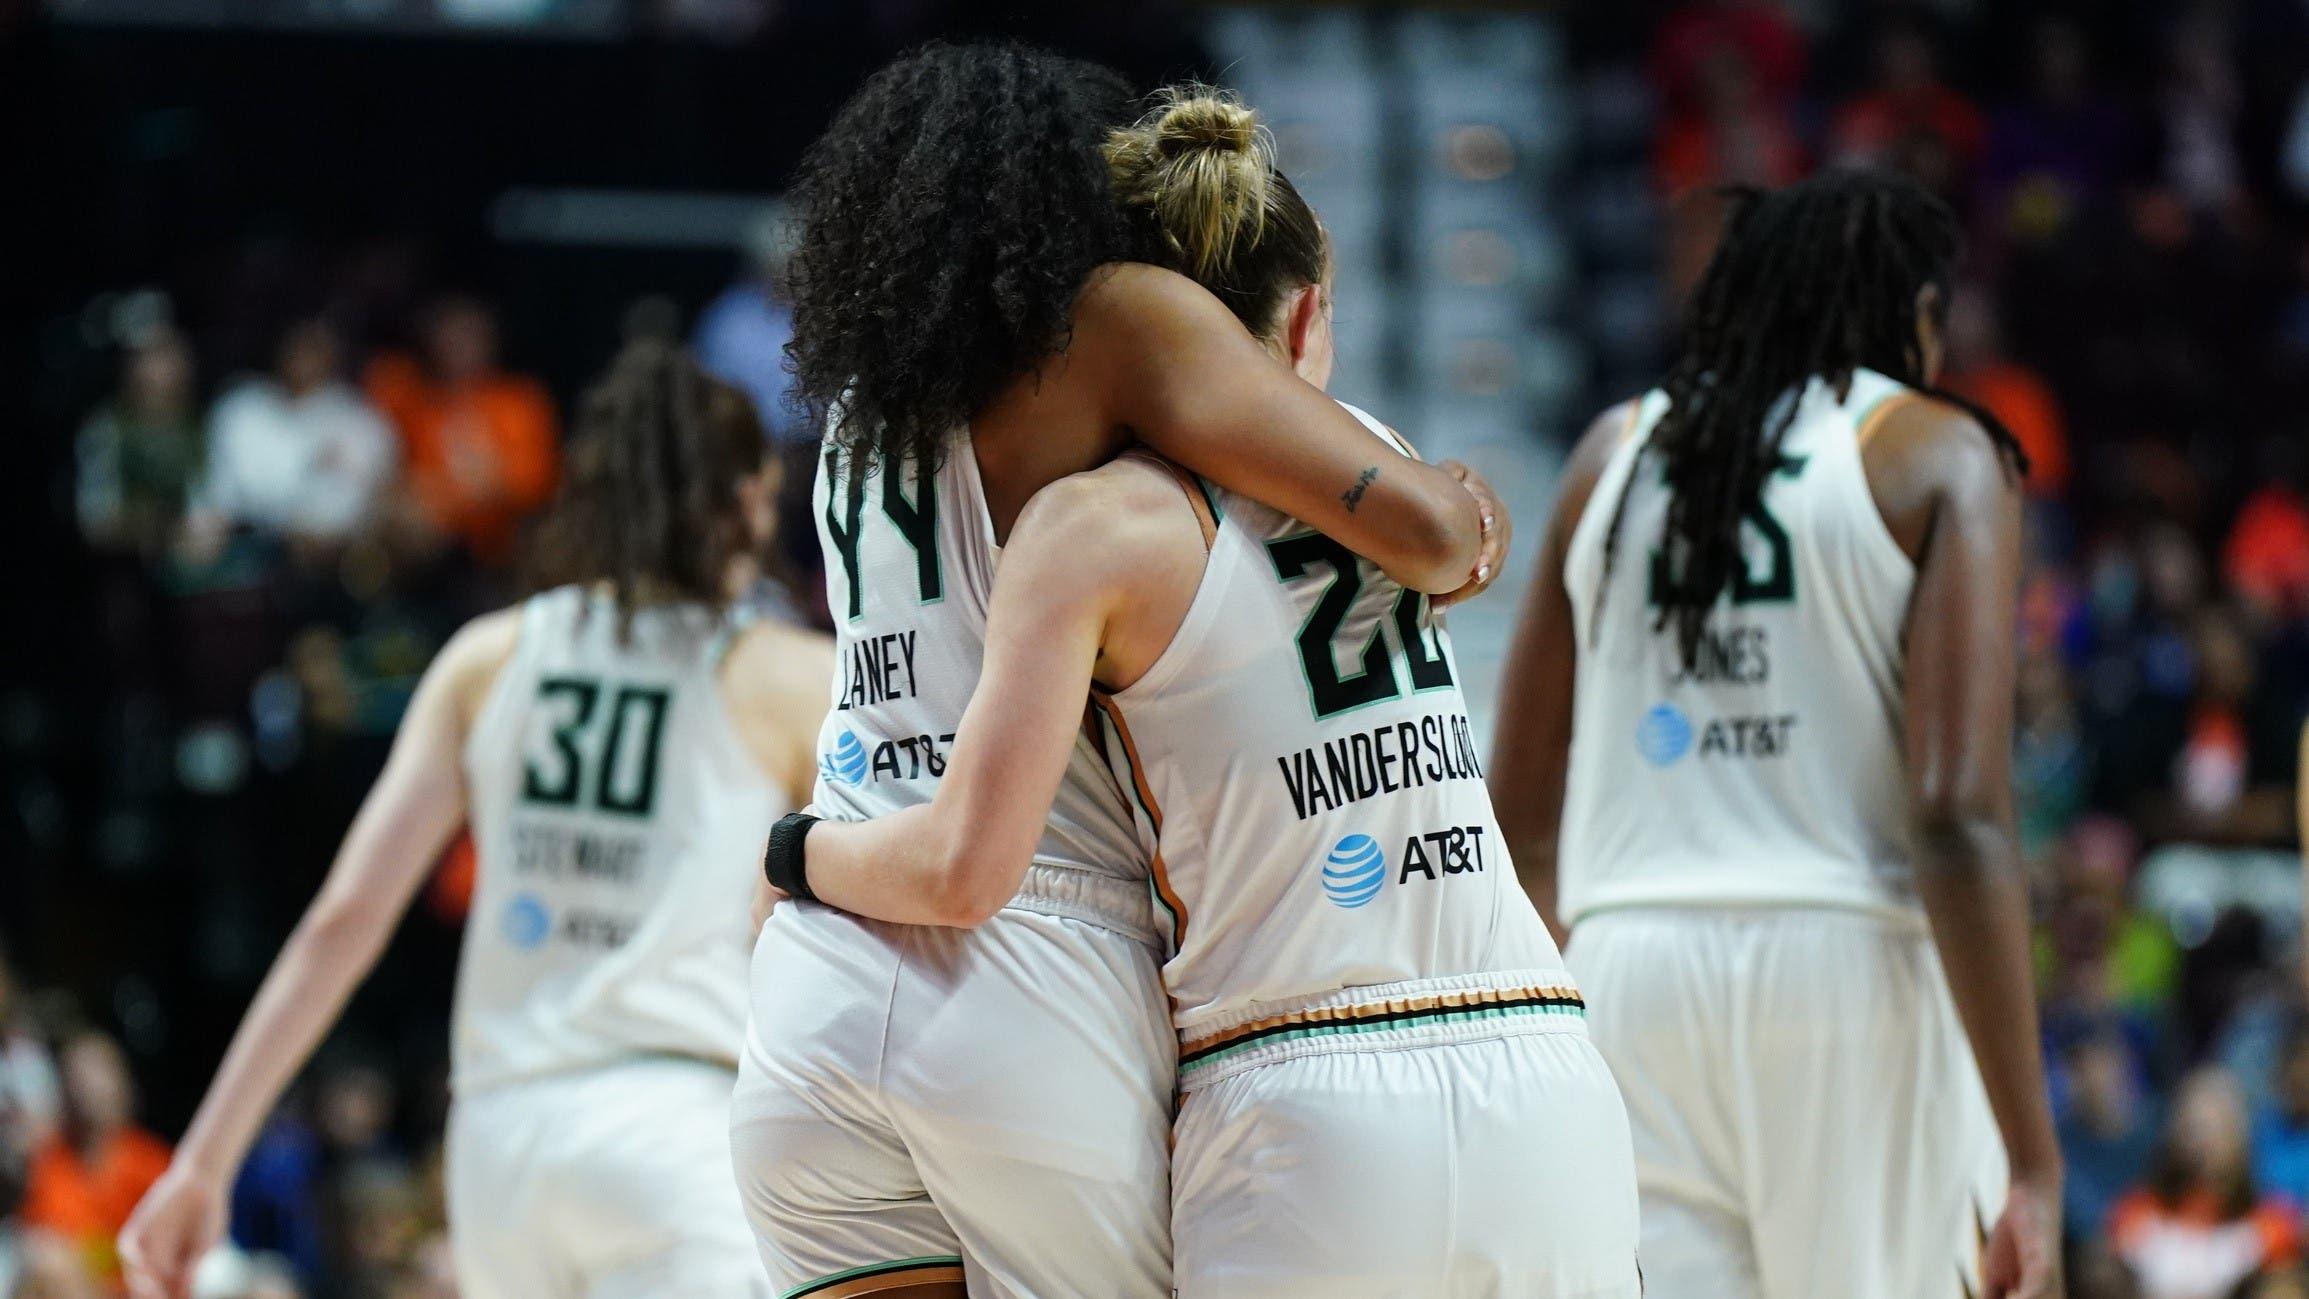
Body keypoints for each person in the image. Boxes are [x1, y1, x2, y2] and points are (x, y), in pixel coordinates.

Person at [759, 88, 1637, 1298]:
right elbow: (1443, 533)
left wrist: (792, 852)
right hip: (1538, 1058)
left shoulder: (1058, 514)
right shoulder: (1371, 457)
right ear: (1303, 319)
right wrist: (1479, 522)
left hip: (1278, 1073)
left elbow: (959, 850)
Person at [118, 342, 832, 1299]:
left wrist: (201, 1160)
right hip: (676, 1126)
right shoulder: (792, 674)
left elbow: (343, 920)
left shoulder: (486, 658)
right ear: (750, 498)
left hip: (501, 1140)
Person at [1489, 168, 2063, 1299]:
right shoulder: (1936, 450)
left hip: (1624, 972)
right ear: (1912, 319)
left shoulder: (1611, 452)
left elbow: (1517, 815)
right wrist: (2033, 1165)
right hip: (1849, 962)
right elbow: (1954, 816)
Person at [2108, 1068, 2299, 1299]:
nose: (2204, 1142)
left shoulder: (2272, 1225)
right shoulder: (2136, 1216)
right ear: (2174, 1135)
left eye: (2216, 1126)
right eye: (2194, 1128)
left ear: (2239, 1136)